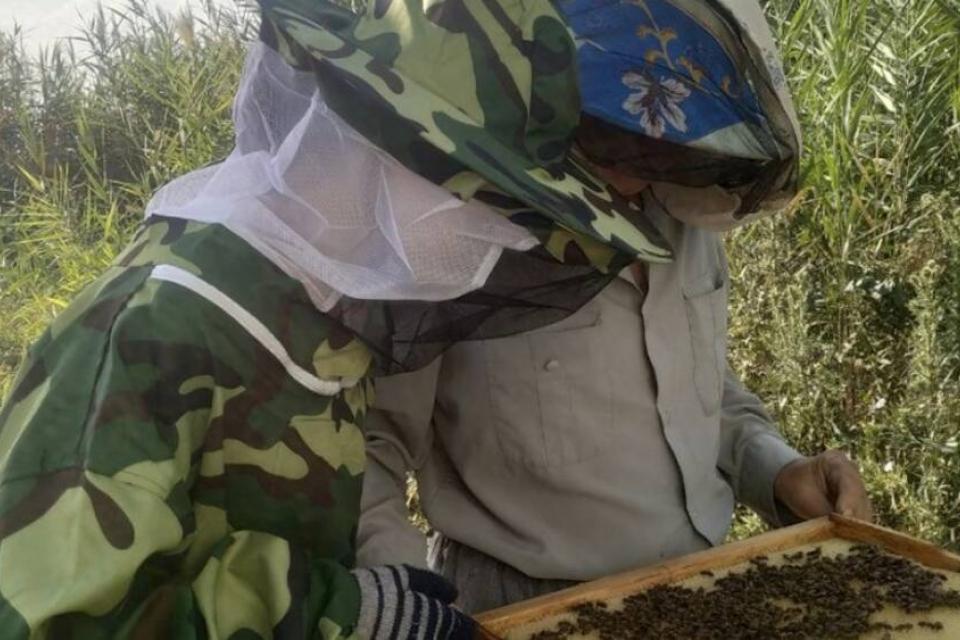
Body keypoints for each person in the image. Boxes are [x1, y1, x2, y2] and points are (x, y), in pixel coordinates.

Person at [0, 0, 776, 637]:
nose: (503, 229)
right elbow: (46, 616)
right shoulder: (156, 322)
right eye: (487, 190)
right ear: (388, 142)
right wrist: (347, 614)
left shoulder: (320, 305)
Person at [356, 0, 874, 614]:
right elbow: (368, 452)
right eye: (606, 133)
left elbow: (706, 401)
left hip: (701, 589)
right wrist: (411, 607)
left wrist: (781, 471)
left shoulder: (685, 219)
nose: (635, 166)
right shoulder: (451, 242)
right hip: (522, 604)